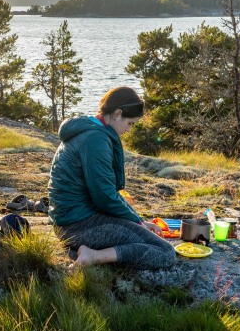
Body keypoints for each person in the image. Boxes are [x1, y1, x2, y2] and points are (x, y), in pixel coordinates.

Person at [47, 86, 176, 269]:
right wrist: (138, 222)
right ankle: (92, 256)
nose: (129, 130)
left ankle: (85, 252)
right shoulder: (95, 140)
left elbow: (105, 194)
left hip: (73, 221)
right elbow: (105, 197)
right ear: (117, 114)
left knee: (142, 235)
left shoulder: (91, 129)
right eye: (130, 123)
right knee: (165, 253)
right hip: (78, 226)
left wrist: (139, 222)